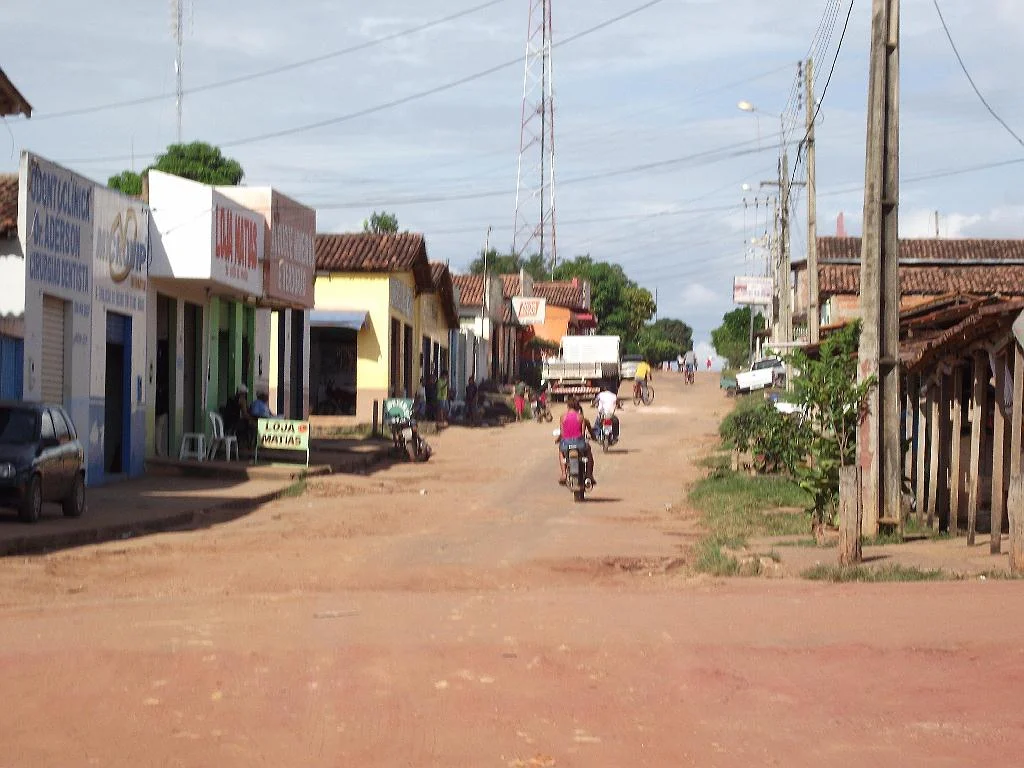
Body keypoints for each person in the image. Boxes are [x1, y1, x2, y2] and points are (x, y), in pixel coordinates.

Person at [556, 395, 596, 485]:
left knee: (561, 451)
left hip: (566, 444)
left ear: (568, 406)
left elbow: (562, 433)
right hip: (579, 443)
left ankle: (563, 474)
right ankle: (589, 474)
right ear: (577, 406)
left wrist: (557, 440)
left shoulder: (563, 417)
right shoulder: (581, 417)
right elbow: (582, 433)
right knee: (588, 452)